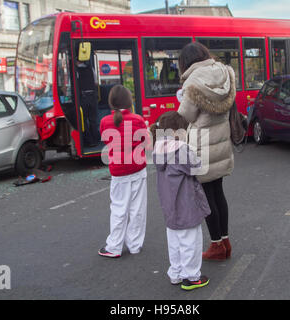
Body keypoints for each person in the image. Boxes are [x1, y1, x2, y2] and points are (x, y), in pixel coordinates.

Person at [177, 42, 236, 261]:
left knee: (206, 196)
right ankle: (226, 241)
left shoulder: (193, 81)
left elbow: (188, 115)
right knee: (218, 192)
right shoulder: (224, 72)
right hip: (221, 141)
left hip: (202, 144)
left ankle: (216, 245)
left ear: (186, 62)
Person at [151, 111, 211, 290]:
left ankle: (176, 273)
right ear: (178, 131)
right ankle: (191, 277)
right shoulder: (181, 149)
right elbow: (198, 168)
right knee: (191, 241)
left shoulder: (158, 148)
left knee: (175, 241)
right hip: (186, 204)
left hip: (169, 206)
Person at [98, 85, 149, 258]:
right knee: (138, 209)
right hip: (138, 169)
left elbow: (105, 139)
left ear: (111, 102)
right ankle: (135, 244)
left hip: (118, 172)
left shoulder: (105, 122)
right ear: (129, 101)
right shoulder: (138, 119)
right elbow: (147, 144)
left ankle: (114, 246)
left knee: (119, 209)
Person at [76, 57, 100, 147]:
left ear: (77, 61)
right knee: (93, 120)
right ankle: (96, 139)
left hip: (83, 97)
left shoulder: (76, 71)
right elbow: (96, 83)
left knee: (84, 120)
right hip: (93, 97)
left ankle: (89, 141)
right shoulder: (91, 69)